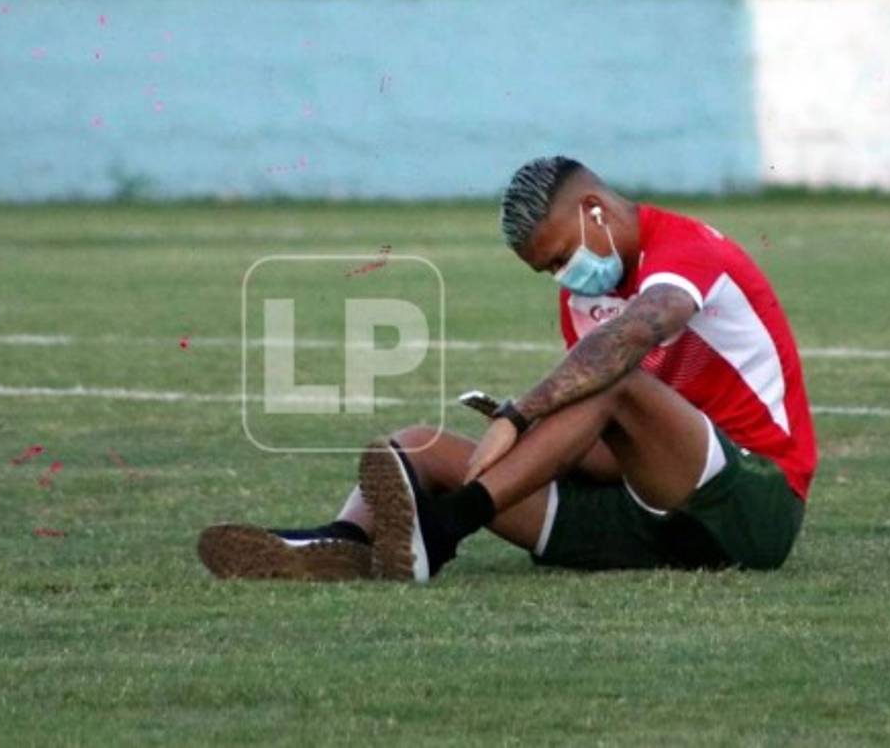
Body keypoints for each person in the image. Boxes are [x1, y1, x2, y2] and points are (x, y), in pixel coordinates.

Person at [198, 155, 817, 582]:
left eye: (561, 257)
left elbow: (633, 340)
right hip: (649, 514)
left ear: (595, 210)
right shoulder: (583, 299)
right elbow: (611, 453)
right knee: (418, 446)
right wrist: (537, 439)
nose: (563, 276)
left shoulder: (686, 249)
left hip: (749, 510)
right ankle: (342, 543)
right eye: (548, 270)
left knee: (612, 376)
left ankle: (444, 529)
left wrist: (521, 416)